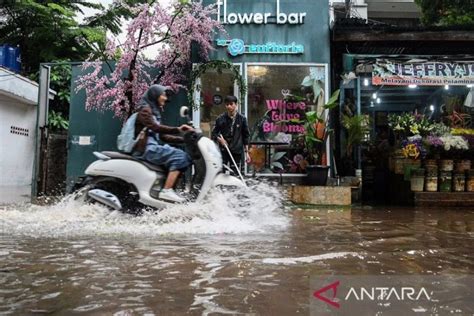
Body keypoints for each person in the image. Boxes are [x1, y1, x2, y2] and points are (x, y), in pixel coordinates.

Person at [132, 85, 193, 203]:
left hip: (153, 147)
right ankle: (167, 190)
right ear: (155, 95)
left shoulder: (154, 112)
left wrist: (184, 140)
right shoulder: (145, 110)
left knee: (183, 155)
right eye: (163, 95)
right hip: (147, 149)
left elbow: (162, 136)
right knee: (180, 156)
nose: (165, 98)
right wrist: (178, 129)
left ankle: (171, 189)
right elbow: (155, 127)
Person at [211, 95, 251, 173]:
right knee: (222, 173)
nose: (229, 106)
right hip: (224, 150)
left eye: (231, 104)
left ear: (236, 105)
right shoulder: (220, 119)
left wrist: (247, 153)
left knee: (235, 173)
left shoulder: (242, 119)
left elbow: (246, 136)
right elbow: (214, 134)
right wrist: (220, 140)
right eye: (227, 104)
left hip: (237, 150)